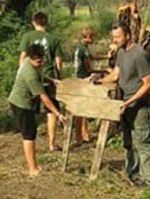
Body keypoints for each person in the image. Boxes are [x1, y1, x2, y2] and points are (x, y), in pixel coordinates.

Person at [94, 23, 150, 186]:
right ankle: (133, 175)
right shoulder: (121, 52)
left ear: (128, 36)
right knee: (128, 143)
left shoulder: (139, 54)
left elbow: (149, 84)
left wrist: (130, 101)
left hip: (140, 106)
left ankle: (148, 181)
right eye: (113, 37)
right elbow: (115, 75)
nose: (115, 40)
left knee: (142, 142)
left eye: (118, 37)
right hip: (125, 105)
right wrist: (98, 82)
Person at [9, 44, 67, 175]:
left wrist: (52, 80)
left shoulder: (36, 65)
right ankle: (32, 168)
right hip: (21, 104)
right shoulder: (29, 74)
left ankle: (35, 165)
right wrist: (58, 114)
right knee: (28, 135)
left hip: (28, 103)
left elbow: (40, 76)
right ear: (30, 58)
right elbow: (44, 97)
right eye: (37, 60)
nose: (40, 62)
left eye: (42, 59)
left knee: (32, 132)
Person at [18, 12, 64, 151]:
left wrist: (22, 73)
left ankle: (30, 141)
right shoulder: (53, 39)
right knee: (51, 110)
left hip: (33, 77)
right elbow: (58, 61)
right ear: (47, 23)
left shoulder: (27, 36)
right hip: (48, 76)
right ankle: (52, 143)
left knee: (31, 109)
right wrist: (59, 76)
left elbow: (22, 57)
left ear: (33, 22)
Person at [72, 25, 97, 145]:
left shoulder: (81, 47)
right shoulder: (84, 49)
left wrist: (108, 55)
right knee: (83, 108)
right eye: (92, 37)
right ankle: (84, 134)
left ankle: (80, 136)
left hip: (77, 79)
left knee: (80, 108)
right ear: (88, 37)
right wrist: (103, 71)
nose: (93, 40)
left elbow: (92, 58)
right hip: (83, 79)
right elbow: (89, 68)